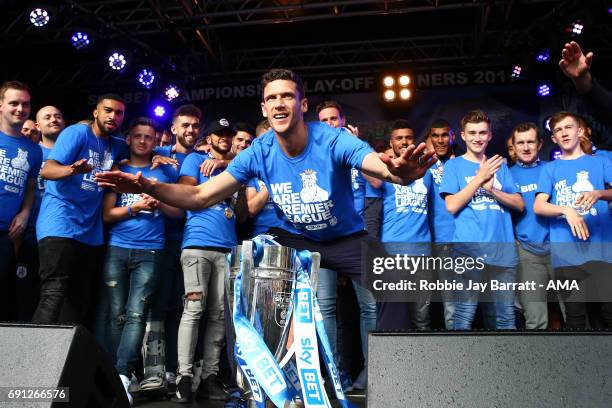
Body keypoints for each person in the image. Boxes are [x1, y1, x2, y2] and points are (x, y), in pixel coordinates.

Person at [95, 69, 435, 334]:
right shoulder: (259, 152)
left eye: (287, 96)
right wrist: (148, 185)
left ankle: (393, 373)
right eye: (272, 98)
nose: (279, 104)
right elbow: (199, 196)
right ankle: (251, 385)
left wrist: (401, 174)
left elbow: (379, 167)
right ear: (264, 107)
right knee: (242, 288)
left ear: (302, 105)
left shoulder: (331, 140)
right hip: (293, 239)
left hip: (343, 237)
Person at [100, 117, 180, 404]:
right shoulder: (118, 172)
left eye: (148, 136)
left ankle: (121, 376)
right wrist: (135, 207)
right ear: (129, 139)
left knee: (136, 314)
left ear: (156, 140)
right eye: (137, 136)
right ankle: (120, 372)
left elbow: (178, 214)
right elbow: (108, 215)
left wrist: (158, 198)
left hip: (151, 250)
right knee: (116, 314)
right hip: (117, 248)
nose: (143, 141)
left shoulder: (164, 173)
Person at [32, 93, 128, 328]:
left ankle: (63, 362)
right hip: (60, 224)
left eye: (118, 113)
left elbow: (138, 150)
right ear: (96, 112)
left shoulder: (116, 145)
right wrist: (72, 170)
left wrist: (159, 156)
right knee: (53, 295)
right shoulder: (77, 133)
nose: (112, 116)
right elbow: (48, 170)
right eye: (108, 110)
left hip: (89, 233)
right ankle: (33, 360)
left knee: (79, 303)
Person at [172, 119, 241, 403]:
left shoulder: (238, 168)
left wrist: (229, 169)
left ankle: (210, 376)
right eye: (219, 134)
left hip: (227, 248)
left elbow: (244, 213)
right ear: (208, 137)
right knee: (194, 310)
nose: (225, 138)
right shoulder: (194, 160)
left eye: (229, 134)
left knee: (219, 315)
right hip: (197, 244)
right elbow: (186, 194)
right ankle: (184, 376)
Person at [440, 109, 524, 330]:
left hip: (502, 252)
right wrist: (479, 178)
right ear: (463, 136)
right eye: (472, 133)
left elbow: (519, 204)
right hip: (469, 250)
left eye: (482, 133)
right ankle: (461, 365)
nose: (477, 137)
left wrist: (492, 190)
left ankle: (506, 365)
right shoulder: (454, 166)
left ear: (490, 136)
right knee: (464, 316)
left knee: (506, 317)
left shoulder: (500, 166)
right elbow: (452, 205)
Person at [534, 111, 612, 329]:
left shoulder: (600, 162)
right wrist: (566, 210)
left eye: (568, 127)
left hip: (603, 251)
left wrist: (599, 194)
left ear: (579, 131)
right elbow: (539, 205)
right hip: (566, 256)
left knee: (608, 313)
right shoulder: (550, 169)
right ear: (553, 139)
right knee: (576, 318)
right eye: (558, 130)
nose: (564, 133)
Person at [372, 120, 433, 331]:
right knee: (396, 317)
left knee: (422, 317)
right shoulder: (384, 172)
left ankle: (422, 363)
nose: (404, 141)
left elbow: (436, 211)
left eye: (408, 137)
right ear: (392, 142)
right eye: (399, 138)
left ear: (414, 141)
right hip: (392, 253)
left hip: (422, 252)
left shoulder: (428, 172)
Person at [14, 105, 65, 321]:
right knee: (24, 295)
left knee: (53, 297)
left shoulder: (71, 153)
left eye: (58, 116)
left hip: (59, 236)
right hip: (29, 234)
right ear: (37, 125)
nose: (53, 119)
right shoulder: (33, 153)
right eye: (47, 117)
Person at [0, 80, 42, 321]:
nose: (20, 108)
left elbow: (29, 188)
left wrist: (25, 213)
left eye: (25, 104)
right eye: (14, 103)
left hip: (7, 233)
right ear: (1, 105)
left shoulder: (33, 150)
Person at [509, 123, 554, 329]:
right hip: (527, 253)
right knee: (536, 320)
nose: (526, 147)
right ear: (514, 146)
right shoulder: (506, 175)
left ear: (540, 144)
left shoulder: (553, 169)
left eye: (530, 142)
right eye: (521, 143)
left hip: (561, 250)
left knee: (574, 313)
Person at [424, 119, 457, 329]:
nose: (440, 140)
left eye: (444, 135)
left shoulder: (461, 162)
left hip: (456, 240)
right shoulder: (422, 165)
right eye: (435, 136)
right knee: (425, 306)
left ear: (452, 136)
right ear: (429, 138)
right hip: (427, 243)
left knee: (455, 304)